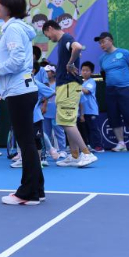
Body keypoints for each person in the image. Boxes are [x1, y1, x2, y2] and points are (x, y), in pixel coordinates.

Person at [0, 0, 44, 205]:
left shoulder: (12, 28)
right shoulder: (15, 28)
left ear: (8, 4)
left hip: (19, 91)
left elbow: (17, 61)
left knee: (26, 142)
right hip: (22, 89)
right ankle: (37, 190)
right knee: (27, 141)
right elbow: (16, 58)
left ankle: (27, 192)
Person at [42, 20, 97, 168]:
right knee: (65, 122)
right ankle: (74, 155)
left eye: (47, 34)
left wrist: (70, 63)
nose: (48, 38)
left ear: (50, 28)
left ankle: (87, 153)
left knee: (66, 121)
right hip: (64, 87)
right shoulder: (63, 42)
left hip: (68, 86)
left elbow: (77, 47)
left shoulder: (66, 38)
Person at [95, 32, 129, 153]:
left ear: (110, 40)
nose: (101, 45)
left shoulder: (124, 53)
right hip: (110, 90)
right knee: (113, 116)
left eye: (103, 42)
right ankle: (121, 143)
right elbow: (104, 74)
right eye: (100, 43)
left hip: (125, 89)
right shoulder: (102, 58)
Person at [41, 66, 67, 157]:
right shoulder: (43, 84)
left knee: (59, 131)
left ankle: (62, 150)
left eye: (47, 71)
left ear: (53, 73)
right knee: (46, 132)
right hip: (45, 112)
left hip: (56, 112)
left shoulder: (58, 84)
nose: (45, 73)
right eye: (44, 72)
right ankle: (49, 150)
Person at [79, 61, 103, 152]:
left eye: (87, 70)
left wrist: (76, 86)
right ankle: (88, 146)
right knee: (85, 130)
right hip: (82, 111)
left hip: (91, 110)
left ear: (91, 72)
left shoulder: (91, 82)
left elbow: (86, 91)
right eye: (83, 70)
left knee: (93, 128)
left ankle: (99, 146)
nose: (84, 72)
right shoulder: (81, 83)